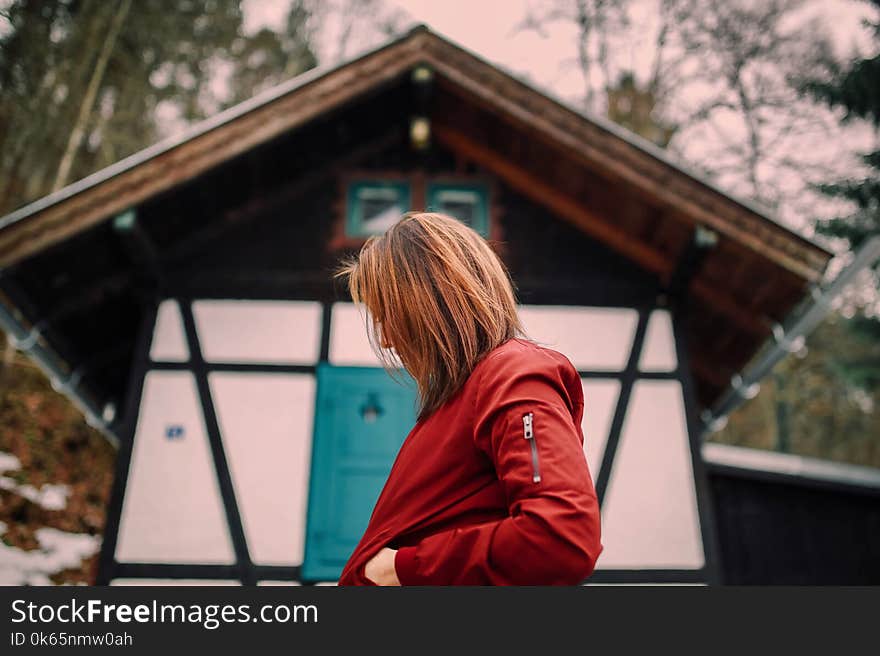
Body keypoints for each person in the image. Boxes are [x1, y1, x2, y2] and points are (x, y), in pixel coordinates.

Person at [335, 211, 602, 586]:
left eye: (388, 317)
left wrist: (400, 568)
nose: (386, 341)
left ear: (427, 302)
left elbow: (560, 535)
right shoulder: (457, 400)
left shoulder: (514, 374)